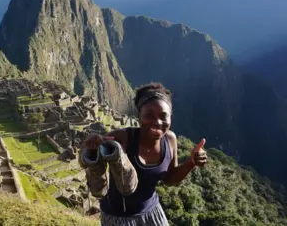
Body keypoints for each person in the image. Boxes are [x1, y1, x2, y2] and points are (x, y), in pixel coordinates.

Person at [80, 82, 208, 225]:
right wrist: (91, 146)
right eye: (149, 115)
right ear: (139, 116)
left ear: (170, 117)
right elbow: (88, 161)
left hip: (152, 213)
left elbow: (169, 179)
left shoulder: (170, 140)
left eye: (163, 116)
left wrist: (191, 163)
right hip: (119, 218)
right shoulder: (122, 138)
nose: (157, 122)